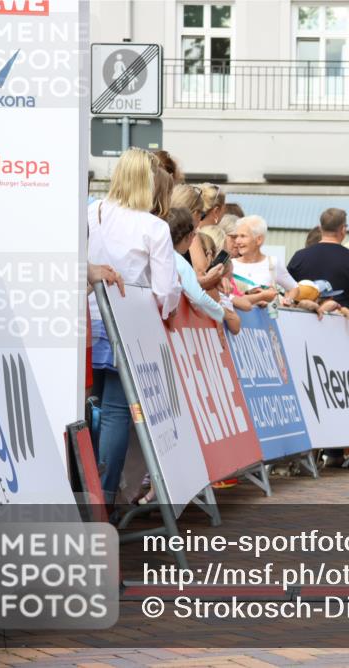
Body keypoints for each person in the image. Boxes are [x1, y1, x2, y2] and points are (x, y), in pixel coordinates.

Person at [88, 148, 182, 507]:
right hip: (126, 327)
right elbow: (164, 292)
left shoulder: (90, 213)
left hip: (86, 319)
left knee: (83, 409)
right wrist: (169, 309)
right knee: (115, 414)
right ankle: (105, 497)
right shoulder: (153, 227)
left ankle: (82, 488)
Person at [288, 208, 349, 339]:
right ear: (343, 229)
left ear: (320, 228)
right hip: (340, 331)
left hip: (302, 329)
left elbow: (287, 292)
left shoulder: (299, 257)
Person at [166, 207, 226, 323]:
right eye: (194, 235)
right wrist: (222, 314)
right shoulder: (181, 263)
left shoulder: (156, 253)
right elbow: (198, 298)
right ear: (189, 236)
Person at [232, 214, 299, 305]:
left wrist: (287, 301)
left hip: (265, 318)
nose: (237, 241)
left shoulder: (273, 263)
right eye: (236, 236)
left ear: (259, 240)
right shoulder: (230, 265)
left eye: (243, 236)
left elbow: (294, 288)